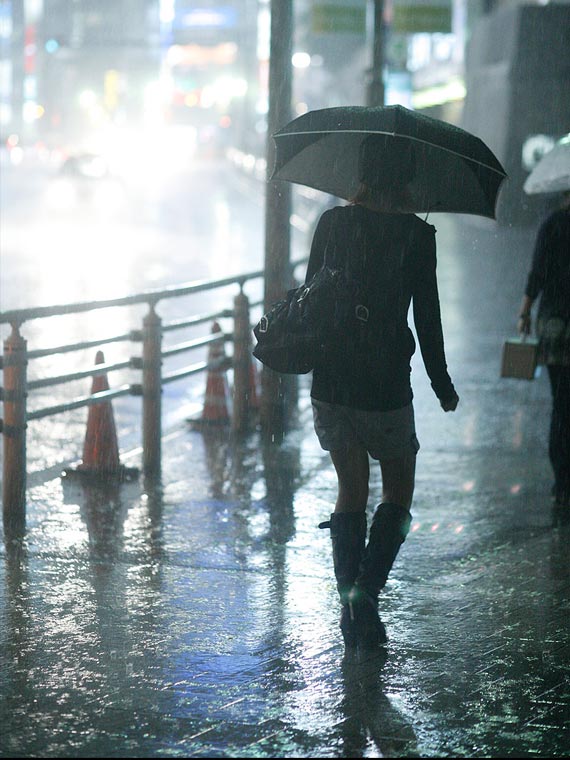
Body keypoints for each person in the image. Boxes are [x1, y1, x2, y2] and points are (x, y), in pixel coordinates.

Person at [310, 135, 459, 651]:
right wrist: (440, 382)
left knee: (351, 489)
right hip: (385, 385)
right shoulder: (417, 236)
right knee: (398, 491)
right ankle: (366, 594)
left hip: (331, 380)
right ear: (408, 179)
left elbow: (310, 299)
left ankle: (350, 596)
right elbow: (429, 316)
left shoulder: (332, 224)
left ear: (364, 173)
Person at [517, 190, 570, 517]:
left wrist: (524, 312)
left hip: (555, 324)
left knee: (561, 406)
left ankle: (562, 483)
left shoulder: (551, 224)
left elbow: (536, 272)